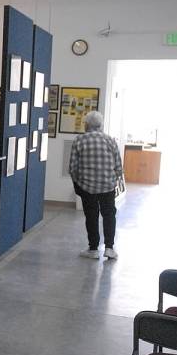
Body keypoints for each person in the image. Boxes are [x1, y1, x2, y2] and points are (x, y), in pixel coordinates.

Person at [69, 111, 123, 260]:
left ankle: (93, 249)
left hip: (87, 187)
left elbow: (72, 168)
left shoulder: (79, 140)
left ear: (86, 124)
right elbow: (119, 167)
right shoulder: (110, 140)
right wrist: (112, 180)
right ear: (101, 125)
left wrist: (79, 184)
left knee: (91, 216)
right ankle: (109, 249)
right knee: (109, 215)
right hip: (108, 186)